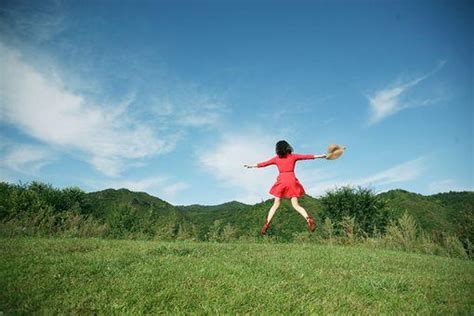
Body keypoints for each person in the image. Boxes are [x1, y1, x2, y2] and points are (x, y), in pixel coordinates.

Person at [244, 140, 327, 235]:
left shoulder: (276, 158)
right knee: (296, 205)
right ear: (288, 147)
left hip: (282, 181)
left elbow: (264, 164)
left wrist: (251, 166)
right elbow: (307, 156)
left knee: (275, 205)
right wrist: (321, 156)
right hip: (291, 180)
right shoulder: (293, 156)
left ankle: (267, 224)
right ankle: (309, 219)